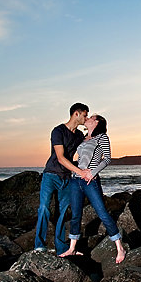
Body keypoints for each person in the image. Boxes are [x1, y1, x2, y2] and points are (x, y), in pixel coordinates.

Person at [61, 114, 126, 264]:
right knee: (76, 214)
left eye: (91, 117)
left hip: (90, 181)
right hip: (76, 180)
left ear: (97, 122)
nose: (87, 118)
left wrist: (92, 172)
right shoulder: (83, 138)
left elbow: (107, 158)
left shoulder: (102, 137)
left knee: (102, 213)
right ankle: (72, 248)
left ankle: (119, 247)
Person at [33, 103, 93, 254]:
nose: (85, 118)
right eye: (85, 115)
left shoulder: (79, 135)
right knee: (44, 208)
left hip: (67, 177)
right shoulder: (58, 131)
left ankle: (61, 247)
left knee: (63, 212)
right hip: (51, 174)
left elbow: (91, 143)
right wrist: (80, 172)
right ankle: (39, 245)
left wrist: (92, 126)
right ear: (76, 114)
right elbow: (60, 158)